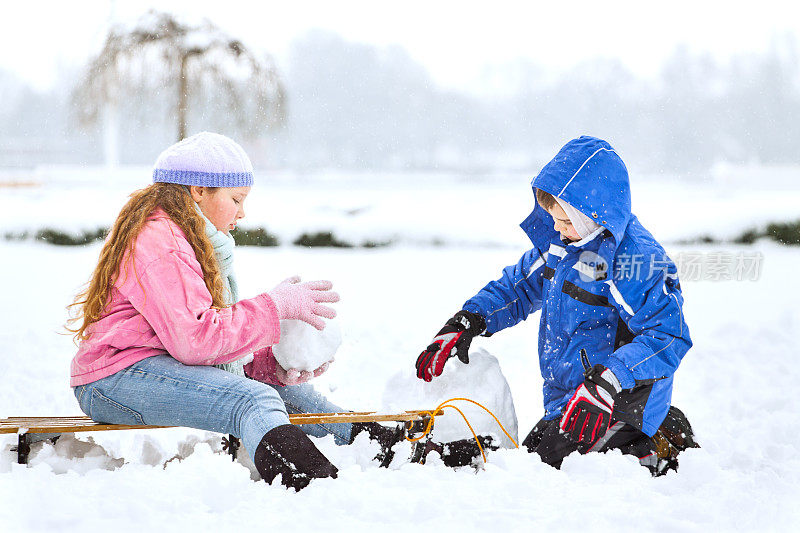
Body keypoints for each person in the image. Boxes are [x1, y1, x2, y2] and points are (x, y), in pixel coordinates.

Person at [68, 132, 401, 491]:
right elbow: (196, 339)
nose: (242, 213)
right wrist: (273, 308)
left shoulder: (188, 238)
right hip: (112, 380)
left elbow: (200, 340)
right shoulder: (161, 242)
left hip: (152, 367)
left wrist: (269, 365)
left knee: (291, 396)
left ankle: (388, 450)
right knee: (252, 399)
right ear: (198, 191)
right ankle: (318, 487)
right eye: (236, 199)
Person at [415, 136, 699, 476]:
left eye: (565, 222)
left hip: (619, 394)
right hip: (572, 394)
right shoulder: (561, 245)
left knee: (551, 472)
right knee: (533, 457)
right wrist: (469, 320)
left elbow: (668, 335)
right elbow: (516, 288)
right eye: (553, 217)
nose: (556, 228)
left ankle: (650, 447)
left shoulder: (634, 261)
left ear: (595, 216)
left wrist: (608, 382)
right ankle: (655, 427)